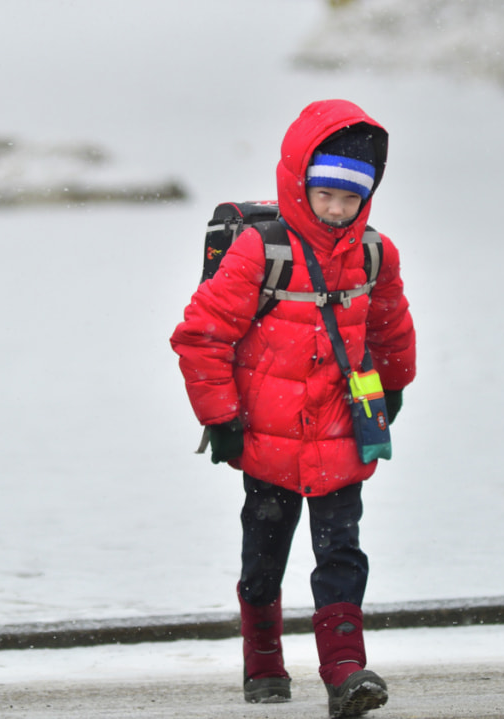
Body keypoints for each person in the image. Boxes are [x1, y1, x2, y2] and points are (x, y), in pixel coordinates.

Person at [169, 99, 416, 717]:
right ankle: (263, 661)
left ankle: (345, 672)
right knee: (264, 558)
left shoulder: (374, 255)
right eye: (325, 194)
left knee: (341, 554)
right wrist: (221, 417)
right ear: (300, 182)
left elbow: (390, 328)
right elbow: (201, 335)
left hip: (339, 436)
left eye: (350, 199)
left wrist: (392, 385)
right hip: (266, 440)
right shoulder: (261, 251)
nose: (336, 210)